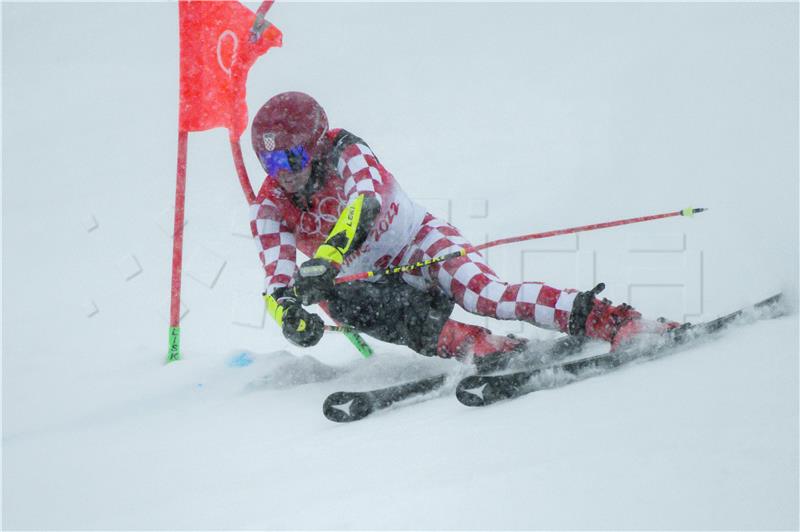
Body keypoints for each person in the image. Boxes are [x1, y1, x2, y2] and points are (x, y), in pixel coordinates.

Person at [249, 91, 679, 367]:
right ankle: (478, 346)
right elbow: (277, 281)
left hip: (420, 245)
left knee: (486, 295)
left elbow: (365, 204)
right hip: (377, 286)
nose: (281, 173)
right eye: (268, 163)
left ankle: (609, 319)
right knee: (334, 298)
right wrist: (290, 316)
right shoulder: (269, 206)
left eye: (290, 159)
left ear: (318, 144)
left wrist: (327, 256)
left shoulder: (347, 151)